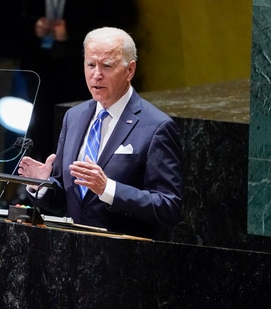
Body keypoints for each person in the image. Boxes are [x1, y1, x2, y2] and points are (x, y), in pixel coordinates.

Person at [18, 27, 183, 240]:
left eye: (107, 66)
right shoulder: (74, 117)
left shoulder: (156, 126)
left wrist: (108, 189)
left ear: (130, 70)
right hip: (73, 254)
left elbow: (168, 207)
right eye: (90, 65)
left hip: (125, 259)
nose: (96, 74)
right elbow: (67, 202)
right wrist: (41, 184)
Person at [16, 0, 138, 161]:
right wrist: (34, 26)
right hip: (40, 68)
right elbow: (14, 17)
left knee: (84, 129)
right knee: (43, 130)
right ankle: (48, 178)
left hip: (78, 71)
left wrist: (71, 33)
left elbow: (118, 24)